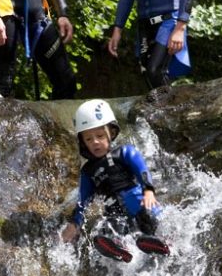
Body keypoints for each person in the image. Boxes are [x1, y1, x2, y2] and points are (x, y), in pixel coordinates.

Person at [61, 99, 170, 263]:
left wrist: (148, 190)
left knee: (147, 218)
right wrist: (75, 224)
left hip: (138, 202)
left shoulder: (124, 152)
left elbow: (142, 170)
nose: (95, 142)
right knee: (108, 228)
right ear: (83, 142)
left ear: (111, 133)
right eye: (88, 139)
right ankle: (121, 248)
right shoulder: (88, 171)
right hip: (114, 211)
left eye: (99, 136)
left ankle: (162, 242)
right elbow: (83, 201)